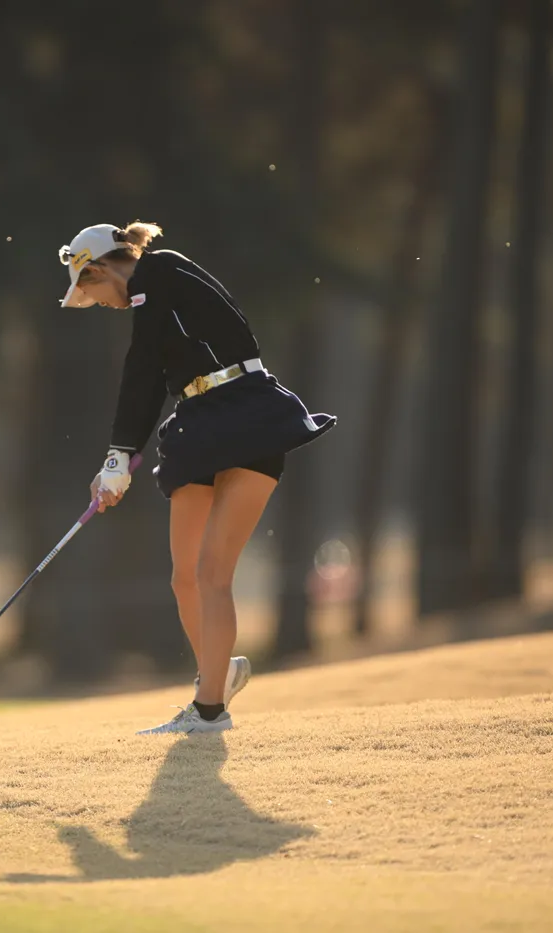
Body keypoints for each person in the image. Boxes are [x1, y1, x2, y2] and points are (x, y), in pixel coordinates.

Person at [58, 221, 336, 735]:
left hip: (250, 413)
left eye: (90, 290)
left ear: (97, 269)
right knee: (184, 576)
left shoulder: (160, 271)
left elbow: (141, 368)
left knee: (212, 573)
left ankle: (209, 711)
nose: (96, 302)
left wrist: (119, 454)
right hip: (197, 426)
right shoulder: (150, 300)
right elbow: (148, 379)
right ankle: (219, 672)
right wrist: (117, 459)